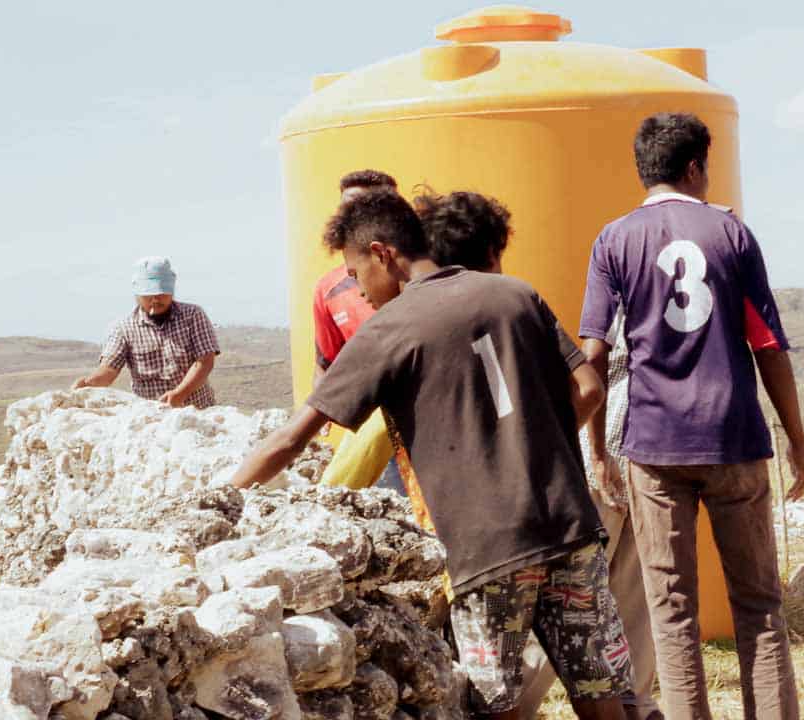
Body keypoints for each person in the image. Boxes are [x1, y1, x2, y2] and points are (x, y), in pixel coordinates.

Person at [231, 189, 632, 720]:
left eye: (355, 273)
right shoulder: (515, 293)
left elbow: (292, 438)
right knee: (599, 693)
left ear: (383, 253)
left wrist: (219, 499)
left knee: (498, 705)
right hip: (567, 525)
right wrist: (536, 443)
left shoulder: (388, 330)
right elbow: (589, 389)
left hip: (486, 550)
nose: (357, 290)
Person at [578, 112, 804, 720]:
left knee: (672, 608)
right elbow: (767, 345)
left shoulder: (613, 240)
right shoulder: (732, 234)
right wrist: (796, 439)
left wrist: (598, 451)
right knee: (759, 605)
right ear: (694, 167)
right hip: (733, 436)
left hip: (654, 446)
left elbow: (595, 353)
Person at [414, 189, 663, 720]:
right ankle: (638, 704)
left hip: (496, 521)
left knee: (502, 672)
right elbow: (589, 383)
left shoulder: (420, 318)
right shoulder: (520, 299)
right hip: (596, 482)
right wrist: (553, 443)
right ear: (496, 249)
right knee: (608, 638)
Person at [312, 169, 405, 493]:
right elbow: (326, 361)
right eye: (346, 209)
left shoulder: (424, 274)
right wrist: (320, 412)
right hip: (372, 432)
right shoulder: (329, 289)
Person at [73, 256, 220, 408]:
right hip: (151, 416)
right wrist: (87, 384)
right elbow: (109, 369)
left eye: (161, 294)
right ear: (137, 294)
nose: (155, 300)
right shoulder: (123, 328)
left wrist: (180, 393)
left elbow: (205, 361)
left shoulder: (193, 315)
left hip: (199, 412)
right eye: (148, 295)